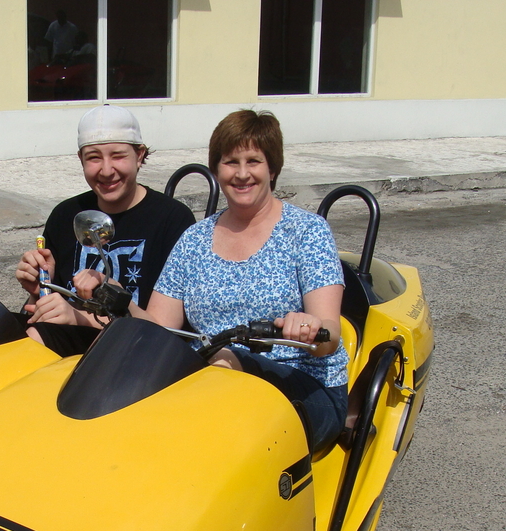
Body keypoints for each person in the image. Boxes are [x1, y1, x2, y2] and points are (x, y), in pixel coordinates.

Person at [79, 109, 348, 449]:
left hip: (303, 386)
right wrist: (121, 300)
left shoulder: (307, 232)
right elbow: (160, 330)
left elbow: (330, 336)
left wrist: (308, 327)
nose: (242, 174)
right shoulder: (194, 239)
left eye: (254, 161)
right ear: (216, 169)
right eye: (230, 162)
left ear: (273, 168)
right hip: (211, 383)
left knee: (219, 373)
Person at [15, 105, 196, 356]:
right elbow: (43, 311)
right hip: (67, 345)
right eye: (94, 157)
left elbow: (164, 331)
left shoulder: (171, 219)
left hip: (135, 353)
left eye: (118, 156)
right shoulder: (66, 215)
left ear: (140, 155)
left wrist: (80, 315)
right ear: (81, 159)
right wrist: (39, 288)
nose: (107, 170)